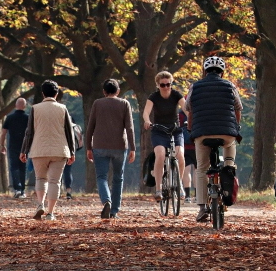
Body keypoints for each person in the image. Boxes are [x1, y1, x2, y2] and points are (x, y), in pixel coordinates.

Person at [183, 56, 242, 222]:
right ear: (222, 72)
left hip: (202, 133)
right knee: (230, 153)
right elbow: (238, 108)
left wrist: (190, 128)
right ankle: (228, 170)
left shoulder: (195, 87)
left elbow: (189, 109)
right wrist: (236, 127)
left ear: (205, 71)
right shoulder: (230, 86)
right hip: (226, 133)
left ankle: (202, 208)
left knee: (201, 168)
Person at [20, 80, 76, 220]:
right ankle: (50, 212)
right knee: (54, 181)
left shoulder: (35, 108)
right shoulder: (63, 109)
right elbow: (69, 132)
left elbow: (29, 132)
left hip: (39, 149)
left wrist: (24, 150)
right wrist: (72, 151)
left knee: (40, 178)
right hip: (59, 150)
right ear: (56, 93)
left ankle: (40, 205)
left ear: (43, 93)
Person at [85, 79, 136, 219]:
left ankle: (106, 200)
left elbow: (90, 127)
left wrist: (88, 147)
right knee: (118, 178)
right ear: (118, 91)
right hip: (120, 146)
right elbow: (129, 128)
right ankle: (114, 210)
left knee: (102, 177)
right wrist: (132, 148)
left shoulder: (97, 103)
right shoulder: (125, 104)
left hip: (100, 145)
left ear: (104, 91)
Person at [142, 71, 186, 202]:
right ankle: (159, 189)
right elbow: (146, 111)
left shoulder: (176, 95)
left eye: (169, 84)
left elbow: (186, 108)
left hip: (175, 130)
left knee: (180, 155)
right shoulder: (154, 97)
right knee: (160, 154)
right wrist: (147, 121)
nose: (166, 87)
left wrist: (190, 119)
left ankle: (179, 185)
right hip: (159, 130)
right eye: (163, 85)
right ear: (158, 85)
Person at [0, 98, 29, 198]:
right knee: (22, 167)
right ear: (24, 106)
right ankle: (22, 190)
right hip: (24, 146)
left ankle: (17, 188)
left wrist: (2, 144)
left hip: (12, 145)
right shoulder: (28, 118)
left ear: (15, 106)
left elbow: (3, 133)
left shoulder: (10, 117)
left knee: (14, 167)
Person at [178, 110, 197, 202]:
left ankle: (188, 196)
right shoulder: (198, 108)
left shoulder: (181, 113)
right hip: (197, 144)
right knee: (198, 171)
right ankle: (198, 195)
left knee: (186, 171)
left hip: (185, 145)